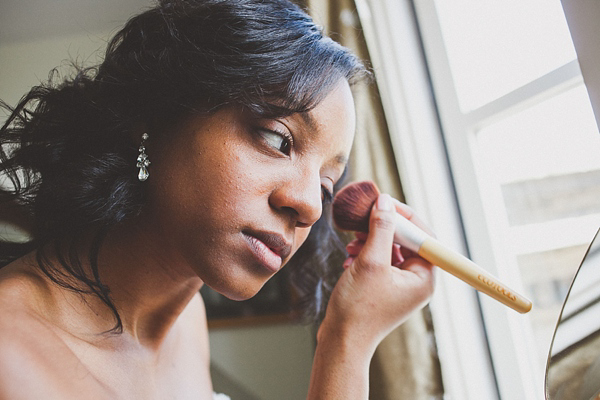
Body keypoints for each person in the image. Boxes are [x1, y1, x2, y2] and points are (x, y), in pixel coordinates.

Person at [0, 0, 435, 399]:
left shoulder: (184, 321)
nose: (310, 207)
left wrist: (346, 336)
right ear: (156, 113)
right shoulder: (10, 352)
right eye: (277, 139)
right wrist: (346, 345)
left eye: (326, 184)